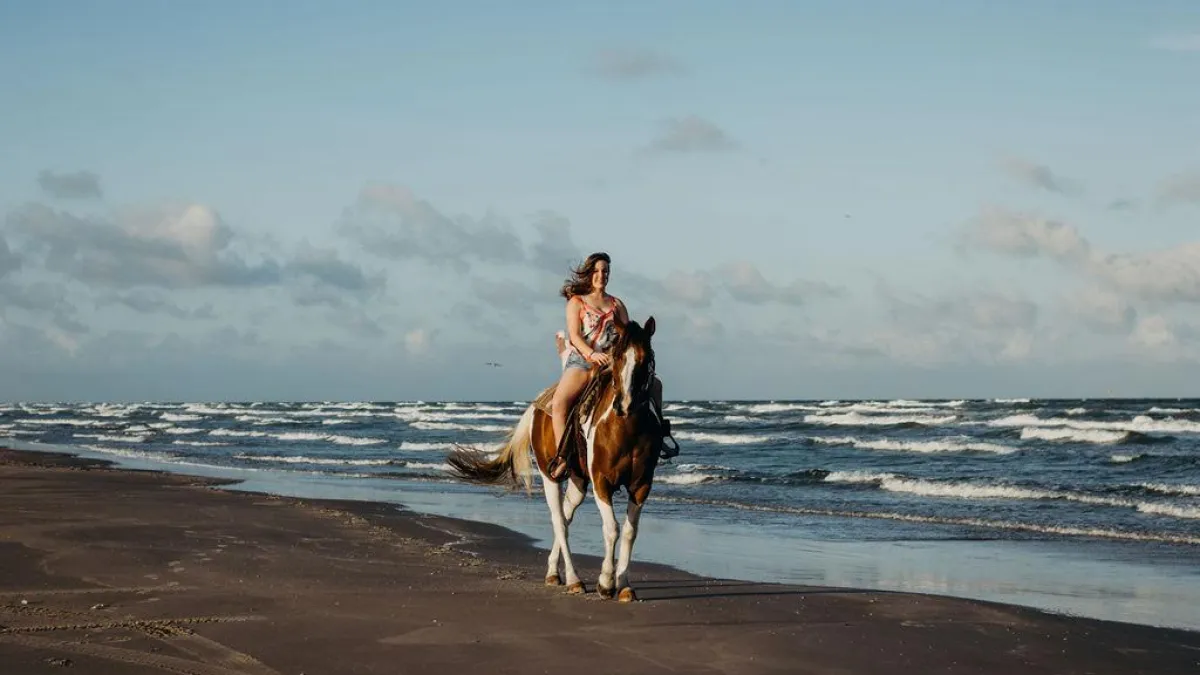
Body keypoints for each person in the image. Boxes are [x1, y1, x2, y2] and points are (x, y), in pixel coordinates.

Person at [547, 252, 673, 481]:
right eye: (596, 271)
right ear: (589, 273)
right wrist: (592, 354)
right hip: (583, 362)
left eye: (605, 271)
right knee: (559, 403)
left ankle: (661, 436)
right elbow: (574, 336)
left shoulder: (617, 304)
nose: (601, 275)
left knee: (655, 385)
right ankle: (562, 456)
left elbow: (628, 336)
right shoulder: (577, 302)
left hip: (612, 363)